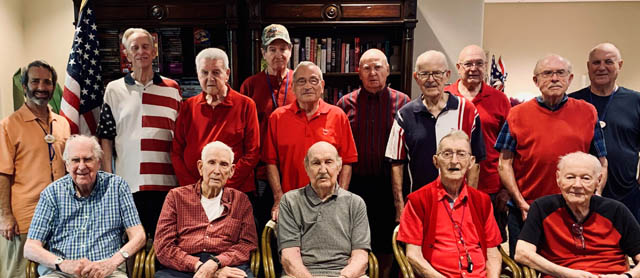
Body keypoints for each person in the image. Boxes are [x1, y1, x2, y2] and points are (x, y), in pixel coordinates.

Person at [495, 54, 608, 256]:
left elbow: (601, 163)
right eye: (547, 73)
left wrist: (594, 198)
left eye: (560, 73)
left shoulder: (588, 112)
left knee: (569, 266)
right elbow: (504, 164)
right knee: (524, 268)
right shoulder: (517, 114)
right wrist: (521, 204)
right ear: (535, 81)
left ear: (570, 78)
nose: (554, 78)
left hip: (574, 210)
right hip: (526, 210)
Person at [97, 28, 182, 238]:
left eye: (146, 46)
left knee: (165, 243)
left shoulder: (173, 88)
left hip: (167, 183)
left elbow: (181, 137)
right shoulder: (114, 90)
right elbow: (106, 139)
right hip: (129, 183)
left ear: (154, 52)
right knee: (132, 243)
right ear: (126, 53)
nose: (141, 52)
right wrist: (109, 179)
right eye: (134, 47)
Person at [23, 135, 145, 278]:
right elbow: (30, 247)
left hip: (108, 270)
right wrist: (63, 264)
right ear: (67, 165)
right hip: (62, 271)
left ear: (98, 162)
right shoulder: (52, 193)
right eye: (75, 160)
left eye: (87, 159)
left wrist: (112, 262)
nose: (81, 166)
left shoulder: (117, 187)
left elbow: (139, 235)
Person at [385, 50, 485, 222]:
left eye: (437, 73)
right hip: (419, 205)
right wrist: (400, 207)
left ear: (447, 75)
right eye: (424, 74)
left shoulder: (466, 110)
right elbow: (397, 164)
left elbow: (475, 163)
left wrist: (469, 202)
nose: (431, 79)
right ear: (416, 77)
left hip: (458, 205)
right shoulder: (404, 115)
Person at [336, 48, 411, 278]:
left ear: (388, 70)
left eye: (378, 66)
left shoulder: (403, 102)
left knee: (386, 243)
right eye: (366, 68)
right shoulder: (345, 103)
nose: (372, 72)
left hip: (390, 186)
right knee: (355, 241)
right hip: (356, 186)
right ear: (359, 73)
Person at [515, 152, 640, 278]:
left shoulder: (616, 211)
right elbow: (522, 253)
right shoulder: (542, 208)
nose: (577, 185)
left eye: (586, 178)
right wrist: (567, 274)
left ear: (598, 181)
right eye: (570, 177)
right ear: (558, 178)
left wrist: (627, 276)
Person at [397, 131, 502, 278]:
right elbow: (413, 256)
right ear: (436, 161)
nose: (454, 161)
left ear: (471, 162)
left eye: (461, 154)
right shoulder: (418, 201)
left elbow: (493, 253)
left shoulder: (482, 201)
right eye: (447, 154)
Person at [0, 60, 70, 278]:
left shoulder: (62, 123)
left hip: (60, 217)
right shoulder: (8, 125)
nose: (41, 87)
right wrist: (5, 216)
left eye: (47, 82)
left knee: (53, 273)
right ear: (24, 86)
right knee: (19, 273)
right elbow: (2, 173)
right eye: (35, 81)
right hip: (24, 218)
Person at [263, 61, 358, 221]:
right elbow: (270, 162)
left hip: (328, 203)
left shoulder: (338, 116)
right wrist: (279, 198)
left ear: (322, 86)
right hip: (291, 203)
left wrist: (340, 198)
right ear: (293, 87)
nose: (307, 86)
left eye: (313, 81)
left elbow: (347, 161)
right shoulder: (277, 117)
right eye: (301, 81)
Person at [155, 141, 258, 278]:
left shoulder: (241, 200)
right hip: (181, 268)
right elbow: (164, 246)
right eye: (211, 163)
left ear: (231, 171)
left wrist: (216, 263)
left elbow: (247, 244)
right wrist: (200, 267)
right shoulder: (176, 197)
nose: (217, 171)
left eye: (223, 164)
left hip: (227, 265)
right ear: (200, 167)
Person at [444, 45, 511, 242]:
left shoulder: (500, 99)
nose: (473, 68)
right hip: (449, 186)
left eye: (479, 63)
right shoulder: (445, 96)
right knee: (450, 242)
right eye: (468, 64)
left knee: (489, 243)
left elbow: (509, 148)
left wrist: (505, 189)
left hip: (489, 188)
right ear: (458, 67)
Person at [172, 48, 260, 197]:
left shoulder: (246, 105)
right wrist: (195, 188)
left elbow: (252, 152)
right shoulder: (187, 107)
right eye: (204, 73)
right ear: (198, 75)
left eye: (216, 72)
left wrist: (221, 186)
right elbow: (176, 152)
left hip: (236, 192)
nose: (210, 78)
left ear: (227, 74)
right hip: (194, 193)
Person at [569, 43, 640, 223]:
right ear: (588, 66)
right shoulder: (572, 102)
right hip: (580, 194)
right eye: (596, 62)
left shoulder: (635, 101)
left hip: (626, 194)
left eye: (608, 62)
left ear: (620, 65)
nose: (601, 67)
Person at [278, 141, 370, 278]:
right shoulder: (290, 201)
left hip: (345, 275)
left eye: (328, 162)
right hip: (302, 275)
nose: (322, 170)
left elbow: (360, 257)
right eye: (316, 163)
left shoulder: (355, 203)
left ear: (339, 166)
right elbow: (289, 257)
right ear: (306, 167)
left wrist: (345, 276)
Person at [239, 24, 296, 231]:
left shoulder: (300, 82)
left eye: (283, 49)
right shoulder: (250, 85)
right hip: (261, 173)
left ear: (290, 51)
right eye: (272, 49)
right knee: (264, 226)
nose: (278, 54)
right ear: (263, 52)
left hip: (294, 170)